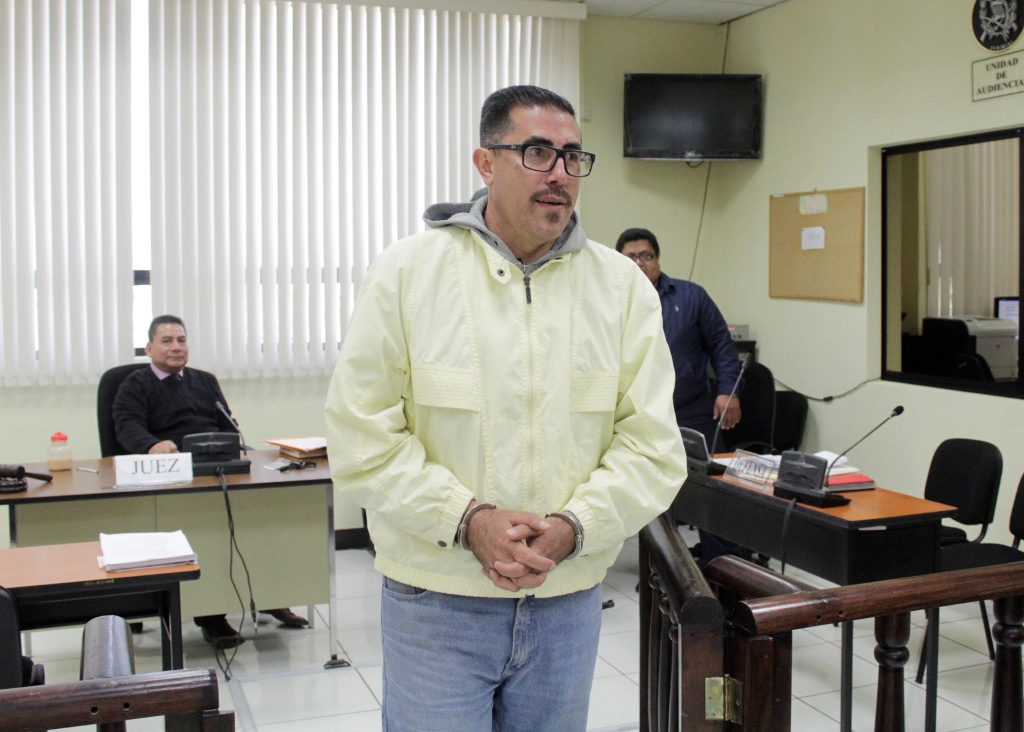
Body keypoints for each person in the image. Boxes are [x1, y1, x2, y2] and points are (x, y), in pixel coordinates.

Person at [325, 85, 687, 731]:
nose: (559, 174)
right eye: (537, 152)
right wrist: (468, 521)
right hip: (437, 600)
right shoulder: (407, 274)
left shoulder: (621, 289)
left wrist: (575, 525)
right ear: (485, 163)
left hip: (566, 601)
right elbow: (362, 437)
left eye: (573, 157)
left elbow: (652, 447)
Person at [113, 315, 309, 649]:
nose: (176, 347)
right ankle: (211, 617)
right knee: (207, 531)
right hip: (171, 476)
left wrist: (236, 446)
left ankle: (268, 596)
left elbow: (227, 424)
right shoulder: (136, 384)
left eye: (181, 340)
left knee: (260, 520)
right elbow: (126, 426)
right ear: (148, 348)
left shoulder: (204, 380)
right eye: (167, 341)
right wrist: (151, 445)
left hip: (214, 467)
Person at [615, 228, 751, 566]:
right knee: (646, 490)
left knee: (710, 489)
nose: (640, 263)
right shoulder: (609, 299)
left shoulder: (691, 297)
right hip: (636, 413)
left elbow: (722, 345)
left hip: (691, 410)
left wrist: (728, 391)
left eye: (646, 256)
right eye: (631, 257)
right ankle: (662, 569)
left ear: (658, 259)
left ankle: (722, 567)